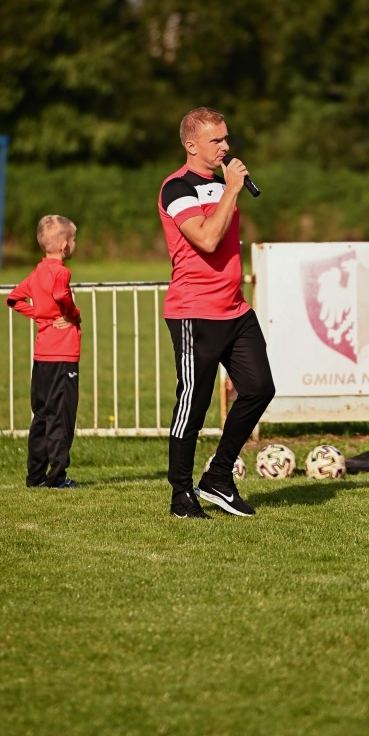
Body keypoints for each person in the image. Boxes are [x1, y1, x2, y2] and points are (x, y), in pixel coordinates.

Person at [159, 107, 276, 519]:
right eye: (216, 140)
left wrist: (228, 189)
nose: (226, 146)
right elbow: (206, 240)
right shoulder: (176, 188)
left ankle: (218, 478)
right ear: (191, 146)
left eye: (227, 138)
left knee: (259, 388)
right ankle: (181, 495)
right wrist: (231, 191)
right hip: (194, 312)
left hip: (235, 309)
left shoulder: (223, 183)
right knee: (193, 404)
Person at [7, 214, 82, 489]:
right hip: (63, 356)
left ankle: (35, 475)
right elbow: (62, 296)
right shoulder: (61, 272)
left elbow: (13, 299)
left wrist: (40, 315)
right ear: (64, 245)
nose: (74, 244)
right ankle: (57, 477)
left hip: (42, 357)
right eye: (74, 240)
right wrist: (73, 315)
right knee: (61, 416)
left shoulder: (37, 273)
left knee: (41, 415)